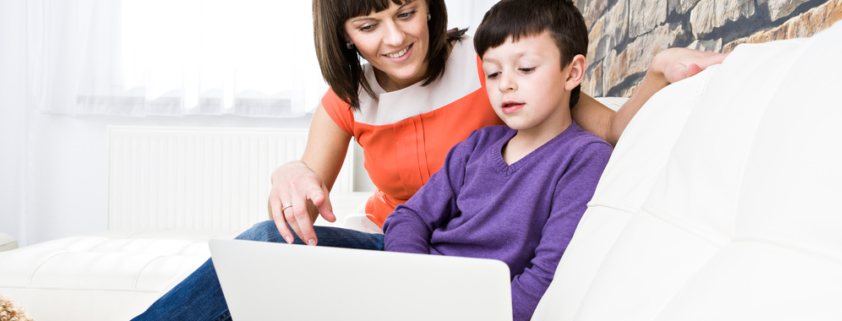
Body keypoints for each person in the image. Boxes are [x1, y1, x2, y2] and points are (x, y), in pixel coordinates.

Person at [134, 0, 726, 319]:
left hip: (462, 278)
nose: (393, 38)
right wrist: (290, 171)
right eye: (368, 25)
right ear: (345, 34)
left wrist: (656, 74)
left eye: (406, 13)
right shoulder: (350, 100)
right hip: (399, 250)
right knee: (266, 243)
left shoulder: (490, 56)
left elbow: (611, 129)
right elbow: (328, 199)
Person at [382, 0, 609, 319]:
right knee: (292, 247)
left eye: (526, 68)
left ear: (572, 73)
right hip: (416, 283)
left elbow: (545, 278)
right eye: (492, 73)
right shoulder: (478, 144)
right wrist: (414, 282)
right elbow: (409, 217)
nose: (505, 84)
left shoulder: (584, 158)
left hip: (476, 307)